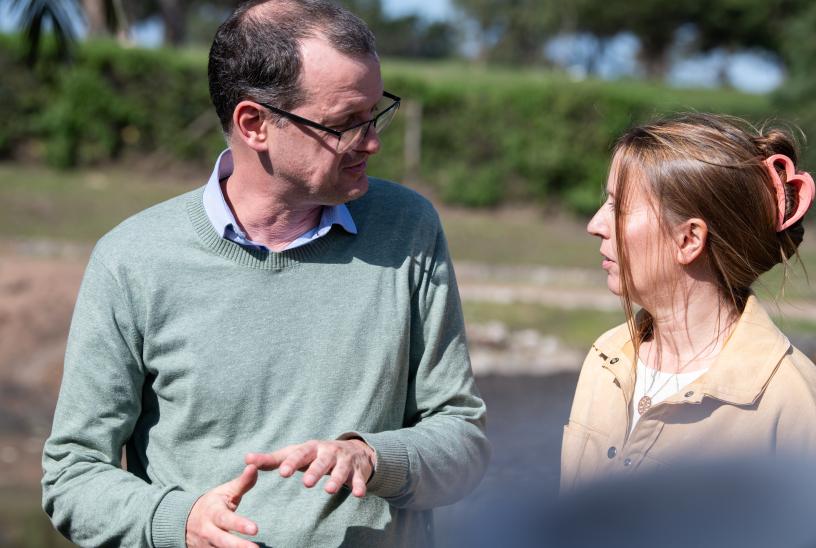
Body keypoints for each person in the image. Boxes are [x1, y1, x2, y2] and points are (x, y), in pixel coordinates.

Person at [41, 1, 490, 546]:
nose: (371, 141)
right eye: (347, 123)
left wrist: (374, 457)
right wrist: (181, 521)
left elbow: (463, 440)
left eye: (376, 113)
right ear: (254, 124)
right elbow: (72, 475)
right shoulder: (131, 260)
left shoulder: (408, 229)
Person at [561, 113, 816, 492]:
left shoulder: (791, 399)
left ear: (688, 240)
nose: (596, 224)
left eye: (618, 207)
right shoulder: (606, 357)